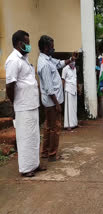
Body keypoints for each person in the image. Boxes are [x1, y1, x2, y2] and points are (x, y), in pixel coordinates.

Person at [5, 30, 45, 177]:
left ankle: (35, 164)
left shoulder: (24, 58)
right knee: (25, 137)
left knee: (34, 136)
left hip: (32, 104)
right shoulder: (13, 60)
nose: (29, 45)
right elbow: (10, 86)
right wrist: (14, 102)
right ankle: (26, 168)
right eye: (27, 43)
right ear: (20, 43)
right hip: (23, 105)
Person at [37, 35, 77, 162]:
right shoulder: (44, 64)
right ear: (45, 47)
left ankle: (45, 152)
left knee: (48, 127)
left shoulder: (48, 59)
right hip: (51, 102)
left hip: (51, 101)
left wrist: (71, 59)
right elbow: (49, 88)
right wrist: (57, 104)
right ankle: (52, 154)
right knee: (55, 128)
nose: (54, 48)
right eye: (52, 46)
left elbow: (59, 63)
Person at [62, 61, 78, 131]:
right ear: (69, 62)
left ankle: (74, 123)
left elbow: (75, 79)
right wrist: (62, 90)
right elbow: (63, 80)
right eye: (72, 62)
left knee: (74, 107)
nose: (73, 64)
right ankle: (68, 125)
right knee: (69, 107)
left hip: (74, 89)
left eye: (74, 62)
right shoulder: (65, 69)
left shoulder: (74, 69)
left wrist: (77, 87)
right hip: (68, 89)